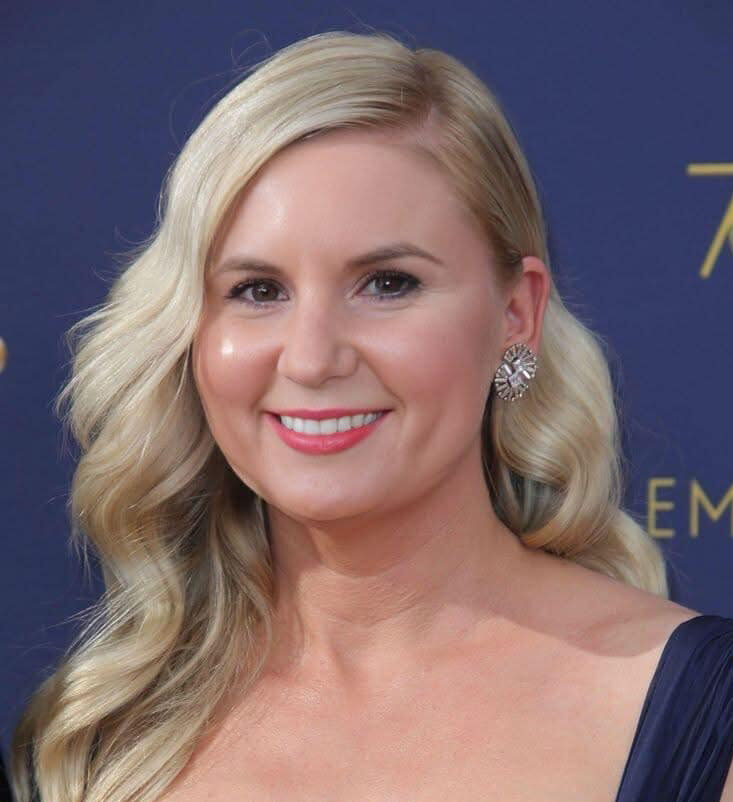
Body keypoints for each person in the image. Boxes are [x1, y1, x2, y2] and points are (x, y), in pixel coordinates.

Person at [10, 29, 733, 802]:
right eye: (257, 290)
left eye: (387, 283)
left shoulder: (688, 713)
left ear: (515, 314)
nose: (310, 358)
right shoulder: (106, 733)